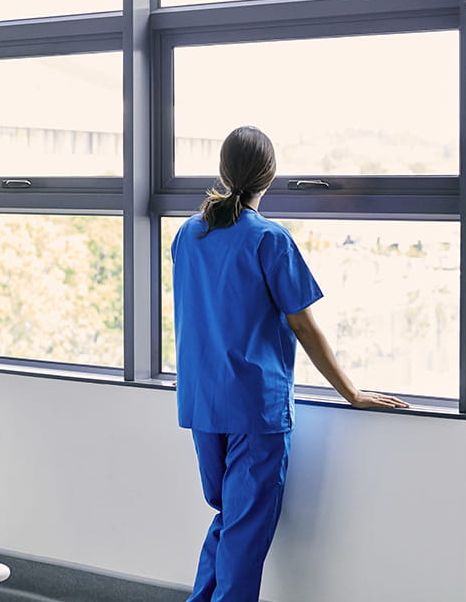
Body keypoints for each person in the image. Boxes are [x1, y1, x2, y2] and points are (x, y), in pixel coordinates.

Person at [171, 125, 409, 602]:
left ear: (222, 171)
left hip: (202, 403)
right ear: (270, 176)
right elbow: (304, 325)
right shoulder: (268, 239)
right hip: (253, 408)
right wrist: (353, 393)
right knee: (243, 530)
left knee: (229, 519)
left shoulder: (188, 234)